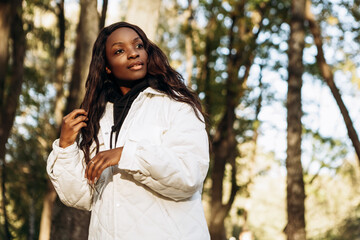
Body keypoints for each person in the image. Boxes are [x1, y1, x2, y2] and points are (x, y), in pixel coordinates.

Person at [46, 22, 210, 239]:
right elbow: (79, 197)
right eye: (119, 50)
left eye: (138, 46)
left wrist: (127, 154)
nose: (133, 54)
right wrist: (66, 147)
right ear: (106, 65)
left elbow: (190, 175)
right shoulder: (97, 118)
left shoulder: (176, 105)